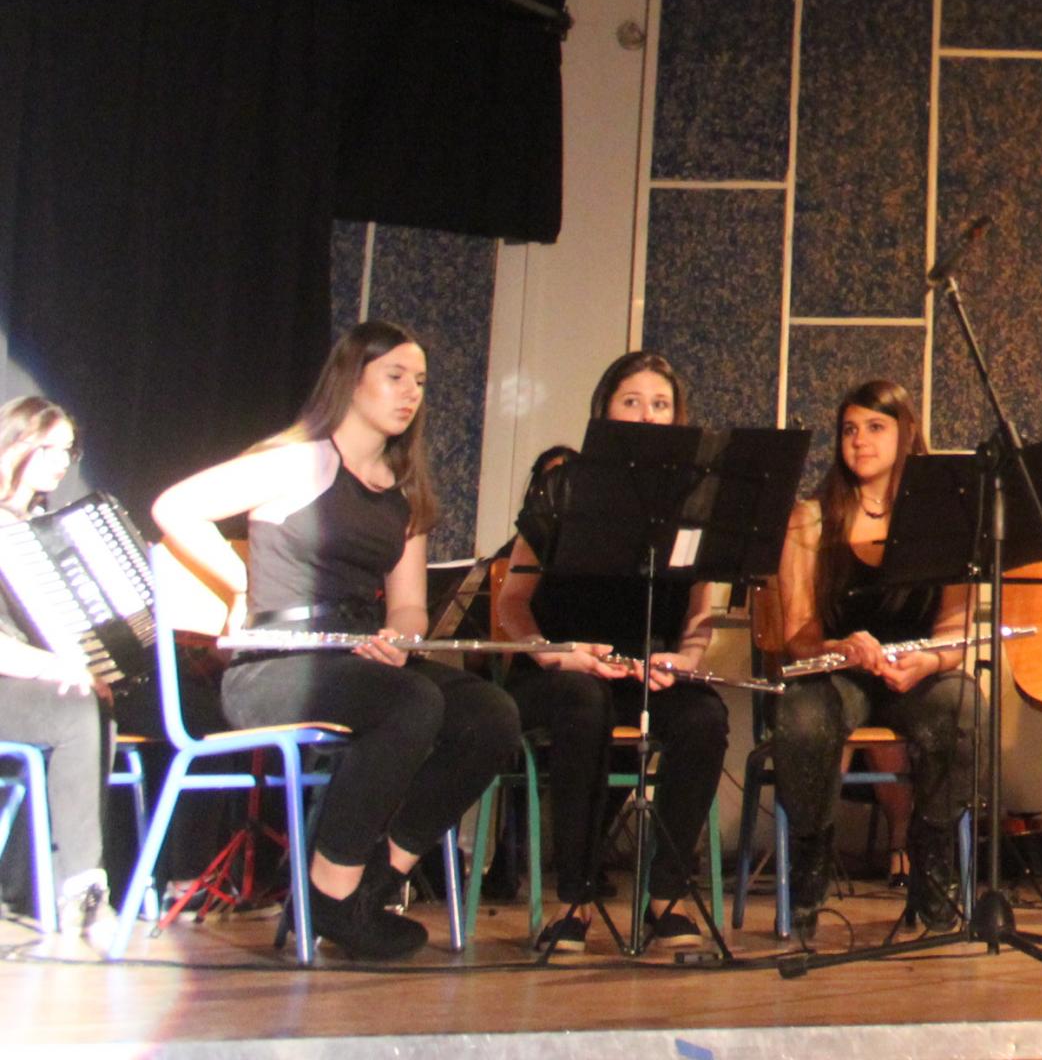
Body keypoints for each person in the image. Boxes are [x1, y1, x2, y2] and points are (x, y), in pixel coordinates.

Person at [151, 322, 522, 959]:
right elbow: (173, 506)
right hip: (276, 665)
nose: (411, 393)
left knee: (491, 713)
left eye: (419, 382)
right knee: (412, 702)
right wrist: (236, 581)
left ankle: (378, 878)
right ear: (352, 381)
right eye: (395, 377)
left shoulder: (403, 492)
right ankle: (332, 890)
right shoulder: (301, 460)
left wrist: (401, 636)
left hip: (358, 659)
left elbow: (408, 603)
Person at [492, 351, 732, 948]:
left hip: (642, 670)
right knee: (583, 704)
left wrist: (689, 657)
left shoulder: (696, 500)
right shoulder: (562, 487)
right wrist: (551, 652)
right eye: (632, 402)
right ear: (604, 411)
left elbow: (700, 612)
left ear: (678, 417)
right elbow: (511, 603)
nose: (648, 416)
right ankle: (573, 901)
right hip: (561, 671)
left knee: (704, 716)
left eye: (660, 405)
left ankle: (665, 895)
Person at [772, 379, 976, 940]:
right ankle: (811, 862)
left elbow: (954, 629)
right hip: (840, 672)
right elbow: (798, 637)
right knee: (802, 715)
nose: (859, 440)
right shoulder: (809, 520)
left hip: (915, 671)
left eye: (875, 427)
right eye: (850, 430)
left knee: (963, 707)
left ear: (907, 434)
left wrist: (929, 663)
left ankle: (932, 861)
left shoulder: (947, 519)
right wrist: (840, 648)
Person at [0, 397, 108, 935]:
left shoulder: (42, 528)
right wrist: (53, 666)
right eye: (50, 448)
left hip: (27, 684)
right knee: (75, 707)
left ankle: (46, 883)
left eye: (69, 450)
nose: (63, 462)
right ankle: (80, 884)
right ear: (13, 444)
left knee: (99, 703)